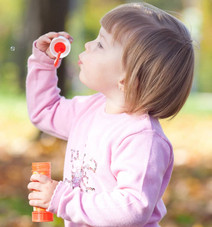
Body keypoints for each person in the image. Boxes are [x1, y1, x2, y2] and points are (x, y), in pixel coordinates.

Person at [26, 2, 194, 227]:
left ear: (127, 77)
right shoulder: (90, 110)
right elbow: (45, 111)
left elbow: (131, 209)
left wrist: (63, 199)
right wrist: (44, 64)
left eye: (101, 45)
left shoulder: (141, 139)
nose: (87, 44)